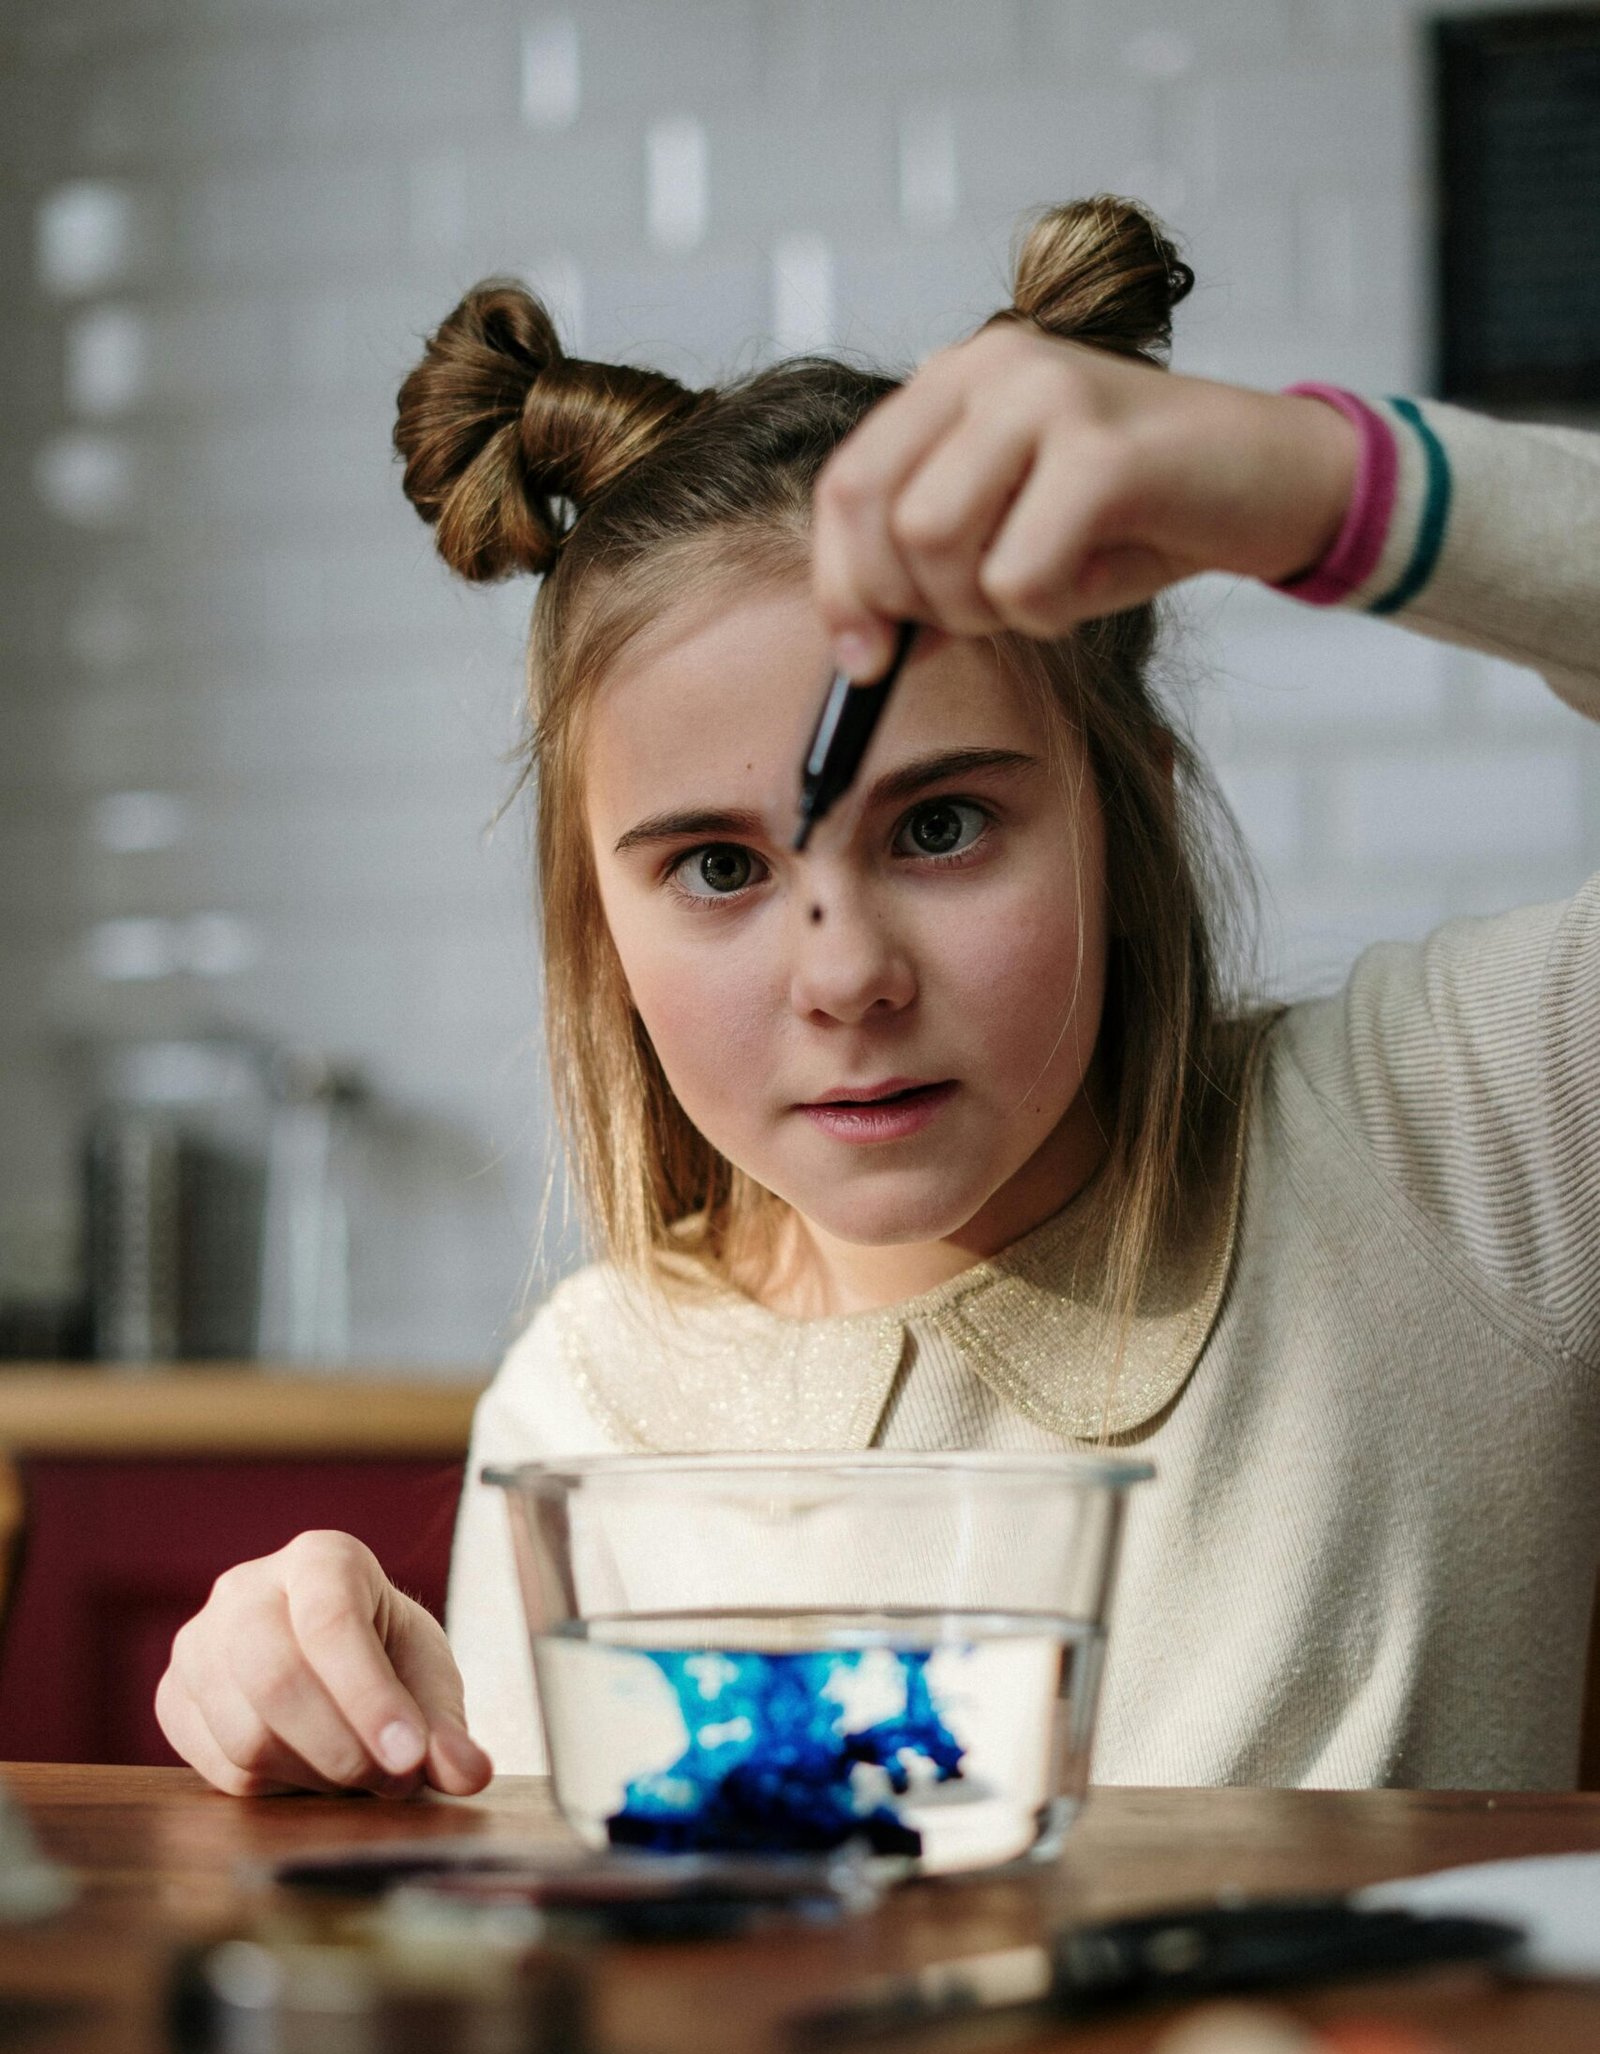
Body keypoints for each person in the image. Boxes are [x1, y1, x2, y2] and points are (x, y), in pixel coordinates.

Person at [155, 197, 1600, 1803]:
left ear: (1131, 818)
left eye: (940, 825)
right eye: (715, 868)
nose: (846, 977)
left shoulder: (1460, 1142)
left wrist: (1310, 487)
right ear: (597, 927)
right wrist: (335, 1720)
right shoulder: (583, 1401)